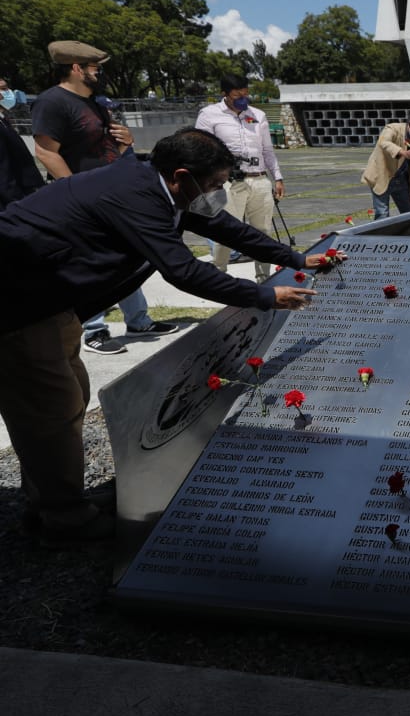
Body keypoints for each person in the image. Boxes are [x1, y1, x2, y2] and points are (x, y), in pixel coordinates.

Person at [0, 128, 324, 544]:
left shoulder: (161, 186)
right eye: (213, 184)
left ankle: (55, 494)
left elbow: (225, 227)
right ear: (181, 176)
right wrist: (263, 295)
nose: (217, 192)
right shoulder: (135, 195)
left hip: (52, 304)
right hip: (18, 305)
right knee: (48, 410)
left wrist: (293, 257)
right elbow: (183, 271)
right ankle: (64, 517)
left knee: (69, 399)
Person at [31, 40, 175, 354]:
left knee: (125, 255)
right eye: (95, 67)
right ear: (76, 68)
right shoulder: (52, 101)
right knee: (91, 261)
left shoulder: (96, 102)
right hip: (80, 198)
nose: (99, 72)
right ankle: (94, 328)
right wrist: (73, 191)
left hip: (108, 194)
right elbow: (45, 151)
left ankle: (138, 320)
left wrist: (127, 142)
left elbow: (104, 145)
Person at [195, 73, 284, 283]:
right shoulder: (209, 115)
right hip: (228, 182)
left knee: (262, 231)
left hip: (259, 179)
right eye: (237, 95)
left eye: (246, 94)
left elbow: (267, 151)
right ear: (224, 94)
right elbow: (199, 148)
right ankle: (218, 276)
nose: (243, 98)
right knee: (225, 231)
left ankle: (264, 278)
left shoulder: (258, 115)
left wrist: (277, 177)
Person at [361, 109, 410, 219]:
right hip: (382, 176)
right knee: (382, 215)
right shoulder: (392, 129)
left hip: (401, 180)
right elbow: (383, 143)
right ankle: (381, 236)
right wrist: (403, 152)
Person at [1, 76, 42, 208]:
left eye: (6, 88)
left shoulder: (3, 120)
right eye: (2, 89)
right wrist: (16, 202)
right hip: (14, 200)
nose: (8, 92)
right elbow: (3, 169)